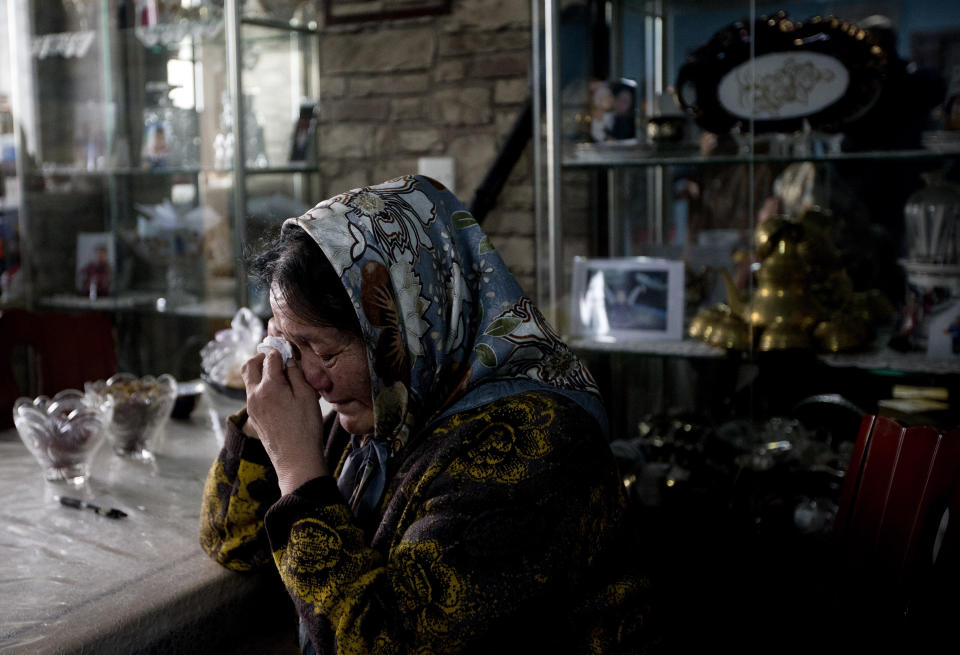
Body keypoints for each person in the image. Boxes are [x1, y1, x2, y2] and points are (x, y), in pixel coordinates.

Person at [199, 175, 656, 654]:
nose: (313, 378)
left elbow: (383, 644)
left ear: (407, 328)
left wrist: (297, 474)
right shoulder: (386, 419)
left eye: (327, 352)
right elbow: (232, 541)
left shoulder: (534, 447)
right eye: (294, 345)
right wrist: (265, 413)